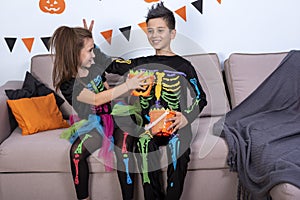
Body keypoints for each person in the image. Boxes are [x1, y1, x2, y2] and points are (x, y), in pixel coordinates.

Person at [105, 2, 207, 200]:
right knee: (143, 146)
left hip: (175, 124)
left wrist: (186, 117)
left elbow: (201, 98)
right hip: (147, 125)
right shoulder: (141, 63)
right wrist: (86, 46)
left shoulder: (184, 66)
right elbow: (111, 65)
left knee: (179, 149)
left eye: (160, 30)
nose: (154, 35)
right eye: (150, 31)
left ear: (172, 33)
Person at [49, 25, 149, 200]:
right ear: (74, 53)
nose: (93, 55)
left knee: (123, 149)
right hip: (92, 122)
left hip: (115, 114)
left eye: (93, 49)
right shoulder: (68, 85)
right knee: (76, 154)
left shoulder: (94, 66)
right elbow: (96, 99)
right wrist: (127, 85)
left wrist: (131, 88)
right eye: (89, 50)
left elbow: (107, 90)